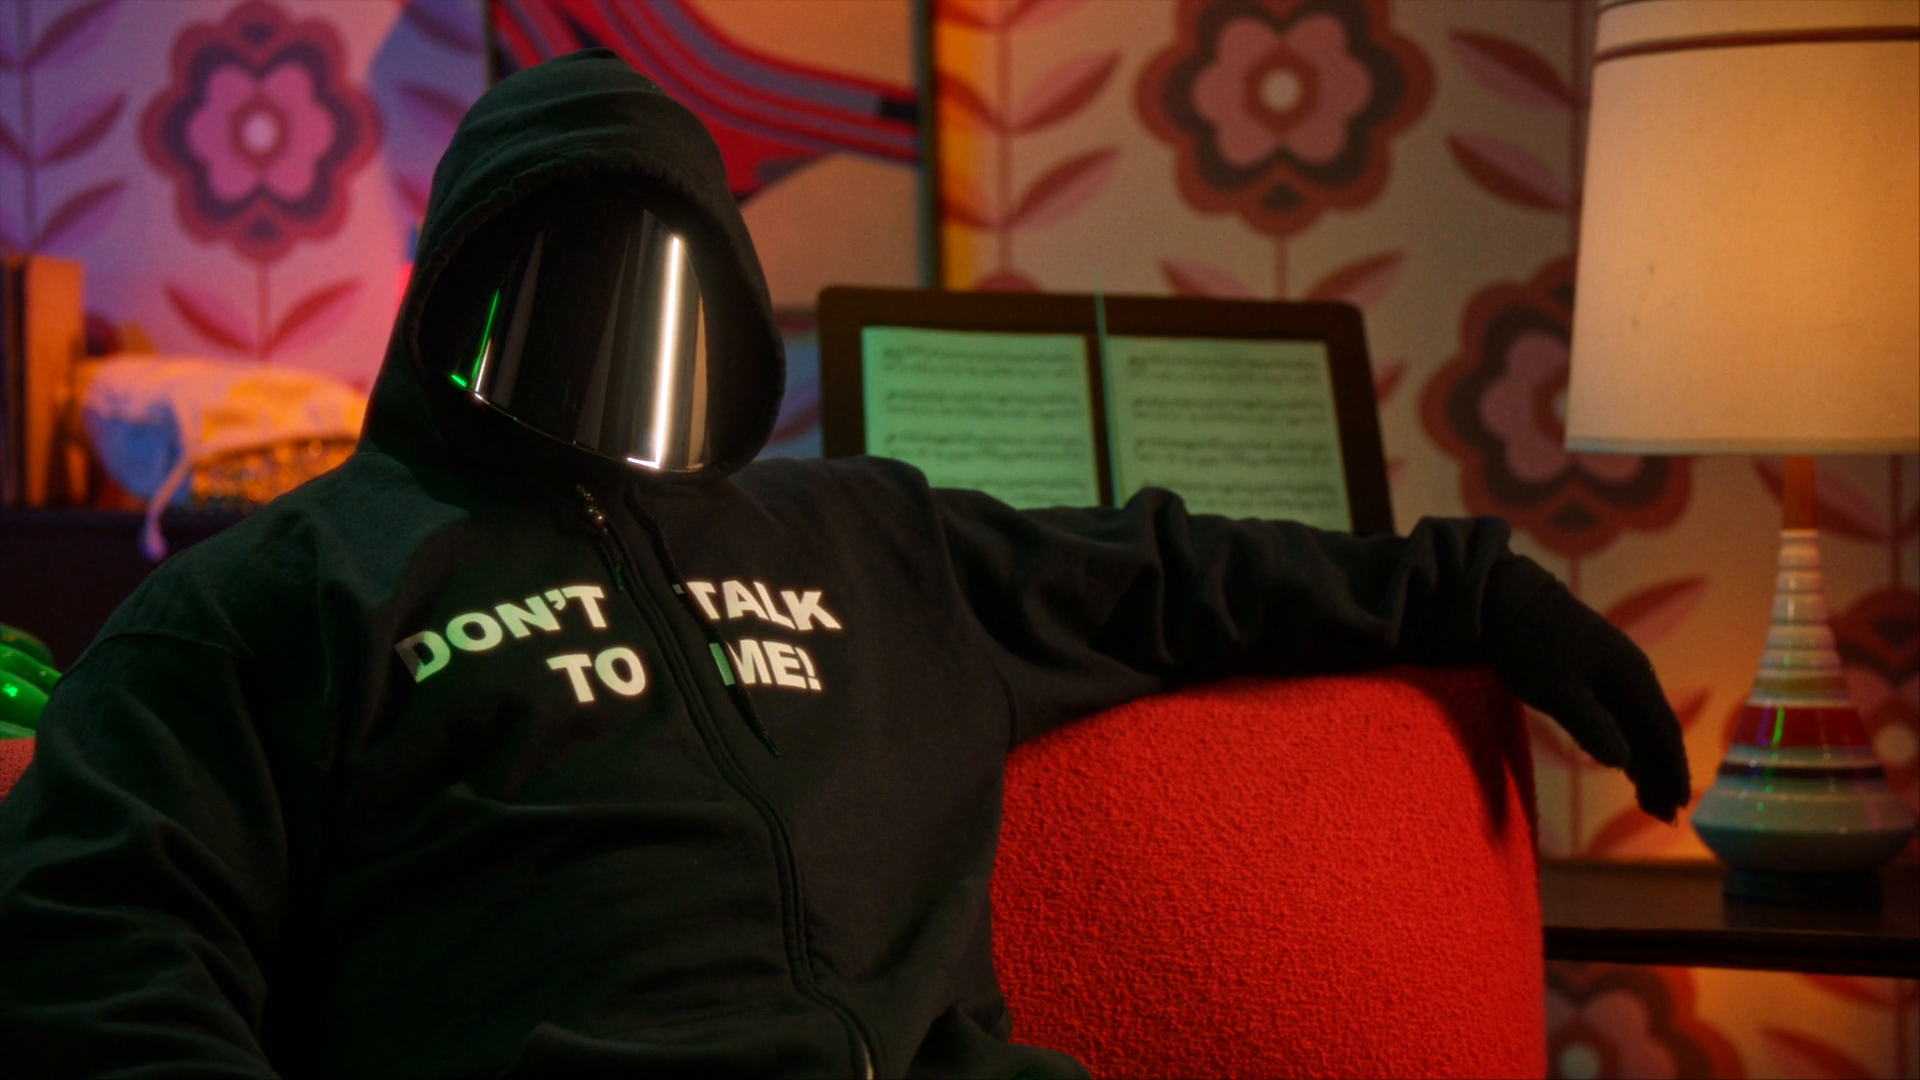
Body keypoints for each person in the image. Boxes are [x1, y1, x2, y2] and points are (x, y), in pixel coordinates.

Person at [0, 50, 1688, 1079]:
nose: (605, 342)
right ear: (454, 293)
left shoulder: (870, 538)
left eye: (659, 285)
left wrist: (1479, 591)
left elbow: (1174, 572)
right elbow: (95, 936)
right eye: (552, 279)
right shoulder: (278, 594)